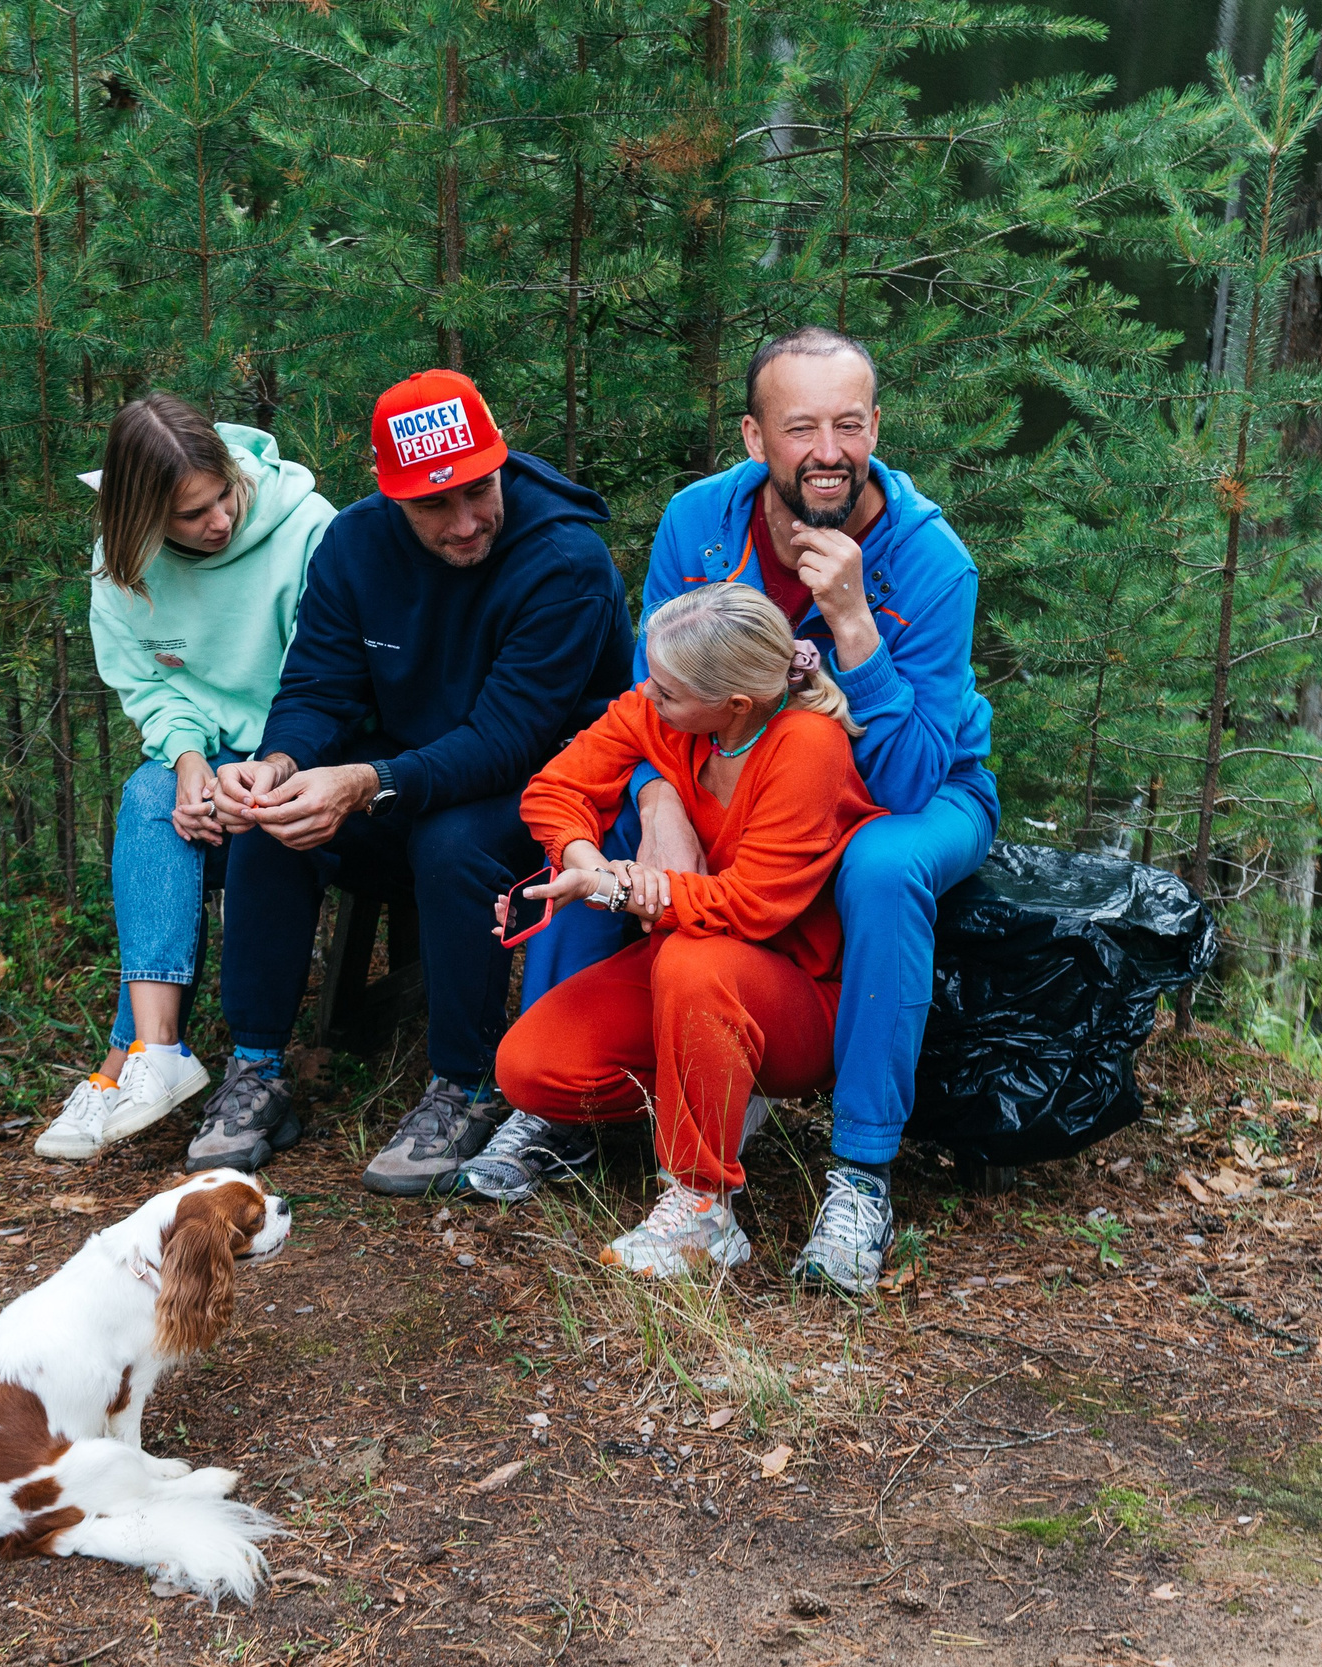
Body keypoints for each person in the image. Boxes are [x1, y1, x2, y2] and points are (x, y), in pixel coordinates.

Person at [455, 327, 999, 1295]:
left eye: (847, 424)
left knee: (879, 864)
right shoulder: (700, 523)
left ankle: (861, 1174)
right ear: (757, 439)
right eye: (801, 428)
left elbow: (914, 776)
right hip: (724, 759)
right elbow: (651, 691)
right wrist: (652, 799)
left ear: (875, 427)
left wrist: (854, 623)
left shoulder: (930, 559)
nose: (826, 450)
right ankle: (578, 1109)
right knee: (630, 818)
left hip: (914, 778)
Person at [186, 369, 634, 1192]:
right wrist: (281, 763)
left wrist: (367, 779)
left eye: (479, 491)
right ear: (391, 492)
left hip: (553, 784)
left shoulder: (564, 559)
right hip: (406, 771)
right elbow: (318, 686)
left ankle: (463, 1087)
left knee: (454, 839)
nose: (466, 523)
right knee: (273, 816)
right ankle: (255, 1070)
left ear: (500, 461)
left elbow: (508, 741)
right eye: (435, 506)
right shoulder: (356, 546)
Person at [493, 583, 883, 1276]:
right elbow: (555, 789)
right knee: (530, 1068)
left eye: (669, 690)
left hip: (796, 997)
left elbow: (752, 904)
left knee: (694, 959)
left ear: (735, 703)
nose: (650, 695)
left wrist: (616, 889)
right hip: (689, 976)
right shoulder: (668, 714)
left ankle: (703, 1207)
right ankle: (712, 1089)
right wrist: (585, 861)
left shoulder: (807, 745)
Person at [35, 395, 337, 1161]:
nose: (219, 523)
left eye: (223, 496)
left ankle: (125, 1062)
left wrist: (256, 768)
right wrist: (192, 760)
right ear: (142, 518)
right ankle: (158, 1051)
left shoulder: (307, 529)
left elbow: (326, 675)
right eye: (190, 515)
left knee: (150, 800)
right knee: (152, 793)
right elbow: (149, 685)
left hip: (302, 754)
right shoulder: (122, 559)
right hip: (212, 755)